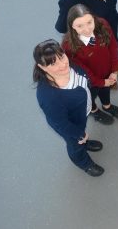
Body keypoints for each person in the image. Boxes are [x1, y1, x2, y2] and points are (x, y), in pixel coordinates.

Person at [33, 39, 104, 177]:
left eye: (62, 57)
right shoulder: (48, 96)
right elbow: (59, 123)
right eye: (53, 63)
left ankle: (84, 142)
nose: (63, 64)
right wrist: (79, 134)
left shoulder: (72, 66)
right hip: (71, 125)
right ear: (42, 67)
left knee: (82, 133)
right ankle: (84, 162)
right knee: (75, 144)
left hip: (82, 112)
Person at [62, 4, 118, 125]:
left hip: (106, 73)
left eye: (89, 22)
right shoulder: (68, 45)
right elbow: (82, 70)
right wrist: (100, 82)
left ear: (93, 18)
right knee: (90, 97)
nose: (87, 29)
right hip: (89, 81)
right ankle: (94, 110)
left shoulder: (103, 25)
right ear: (72, 26)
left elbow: (112, 47)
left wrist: (114, 70)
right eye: (79, 26)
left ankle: (107, 106)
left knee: (105, 90)